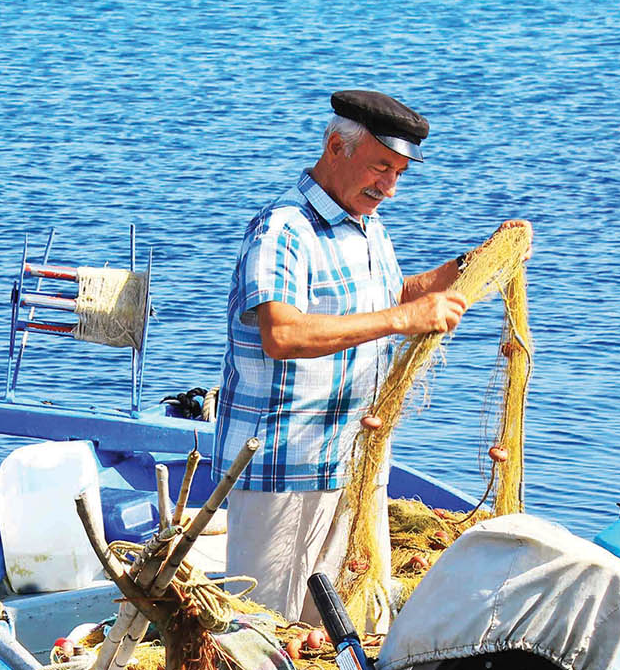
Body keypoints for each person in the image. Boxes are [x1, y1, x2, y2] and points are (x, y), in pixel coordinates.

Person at [211, 88, 526, 625]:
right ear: (336, 146)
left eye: (400, 173)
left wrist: (471, 263)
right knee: (264, 630)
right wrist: (404, 321)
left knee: (346, 630)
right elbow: (282, 334)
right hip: (286, 467)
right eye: (381, 167)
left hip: (355, 464)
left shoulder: (367, 225)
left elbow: (392, 297)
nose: (389, 186)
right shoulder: (284, 228)